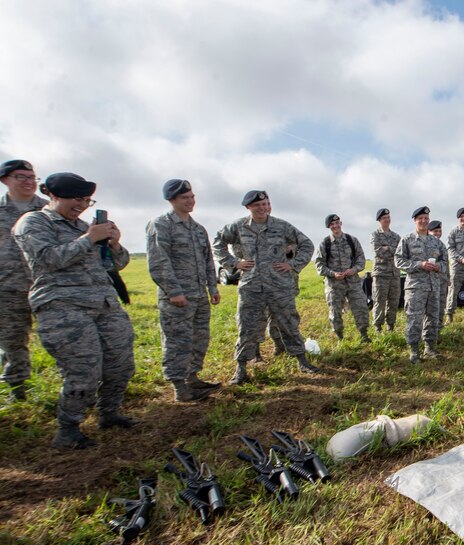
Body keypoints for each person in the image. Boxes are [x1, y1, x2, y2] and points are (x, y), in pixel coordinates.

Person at [14, 173, 138, 449]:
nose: (82, 205)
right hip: (63, 308)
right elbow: (47, 259)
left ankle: (110, 414)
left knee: (121, 363)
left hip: (104, 304)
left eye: (86, 200)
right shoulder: (34, 222)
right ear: (54, 196)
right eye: (76, 199)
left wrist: (114, 244)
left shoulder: (83, 226)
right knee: (84, 370)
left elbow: (114, 265)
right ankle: (68, 429)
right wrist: (88, 239)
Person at [214, 190, 318, 384]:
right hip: (251, 286)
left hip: (279, 285)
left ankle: (302, 361)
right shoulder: (238, 227)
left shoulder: (281, 226)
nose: (262, 208)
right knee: (247, 326)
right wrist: (233, 263)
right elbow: (217, 242)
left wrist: (293, 265)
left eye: (265, 204)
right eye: (257, 205)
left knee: (289, 323)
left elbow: (307, 244)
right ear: (248, 207)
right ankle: (241, 368)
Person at [146, 179, 223, 402]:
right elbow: (159, 261)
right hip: (177, 297)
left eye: (192, 197)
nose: (190, 201)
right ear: (172, 200)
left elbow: (208, 260)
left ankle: (193, 378)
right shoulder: (161, 224)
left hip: (199, 295)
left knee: (199, 338)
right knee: (177, 340)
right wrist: (173, 291)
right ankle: (179, 387)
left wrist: (212, 287)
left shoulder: (198, 229)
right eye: (184, 198)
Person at [0, 159, 47, 402]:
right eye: (21, 177)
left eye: (32, 178)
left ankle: (77, 388)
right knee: (12, 341)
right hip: (7, 287)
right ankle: (16, 389)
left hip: (46, 285)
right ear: (5, 180)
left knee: (63, 337)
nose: (29, 182)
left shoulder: (47, 210)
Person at [395, 207, 448, 363]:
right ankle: (414, 351)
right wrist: (419, 264)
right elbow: (398, 261)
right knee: (414, 318)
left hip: (434, 286)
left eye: (426, 218)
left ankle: (430, 349)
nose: (424, 221)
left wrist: (439, 267)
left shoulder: (436, 242)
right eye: (420, 219)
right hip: (415, 286)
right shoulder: (407, 240)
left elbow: (445, 262)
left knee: (432, 318)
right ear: (415, 221)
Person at [315, 214, 371, 342]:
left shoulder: (352, 240)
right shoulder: (325, 243)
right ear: (329, 227)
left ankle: (364, 335)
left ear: (341, 223)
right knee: (335, 313)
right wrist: (332, 273)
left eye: (337, 223)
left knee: (361, 308)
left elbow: (361, 259)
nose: (335, 226)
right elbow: (319, 265)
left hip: (353, 282)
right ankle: (340, 337)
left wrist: (354, 270)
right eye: (332, 224)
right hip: (334, 285)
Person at [370, 208, 401, 333]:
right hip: (380, 274)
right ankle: (378, 327)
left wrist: (387, 248)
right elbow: (377, 252)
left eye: (388, 217)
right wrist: (390, 250)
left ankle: (390, 326)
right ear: (379, 220)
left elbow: (400, 253)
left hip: (394, 273)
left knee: (393, 302)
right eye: (384, 218)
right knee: (379, 301)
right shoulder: (375, 235)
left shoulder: (396, 236)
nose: (387, 220)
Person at [428, 220, 449, 329]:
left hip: (442, 280)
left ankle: (439, 329)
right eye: (435, 231)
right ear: (429, 231)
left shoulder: (442, 245)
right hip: (428, 282)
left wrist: (447, 277)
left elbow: (445, 263)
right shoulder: (425, 244)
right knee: (430, 308)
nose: (438, 233)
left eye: (439, 231)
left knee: (441, 305)